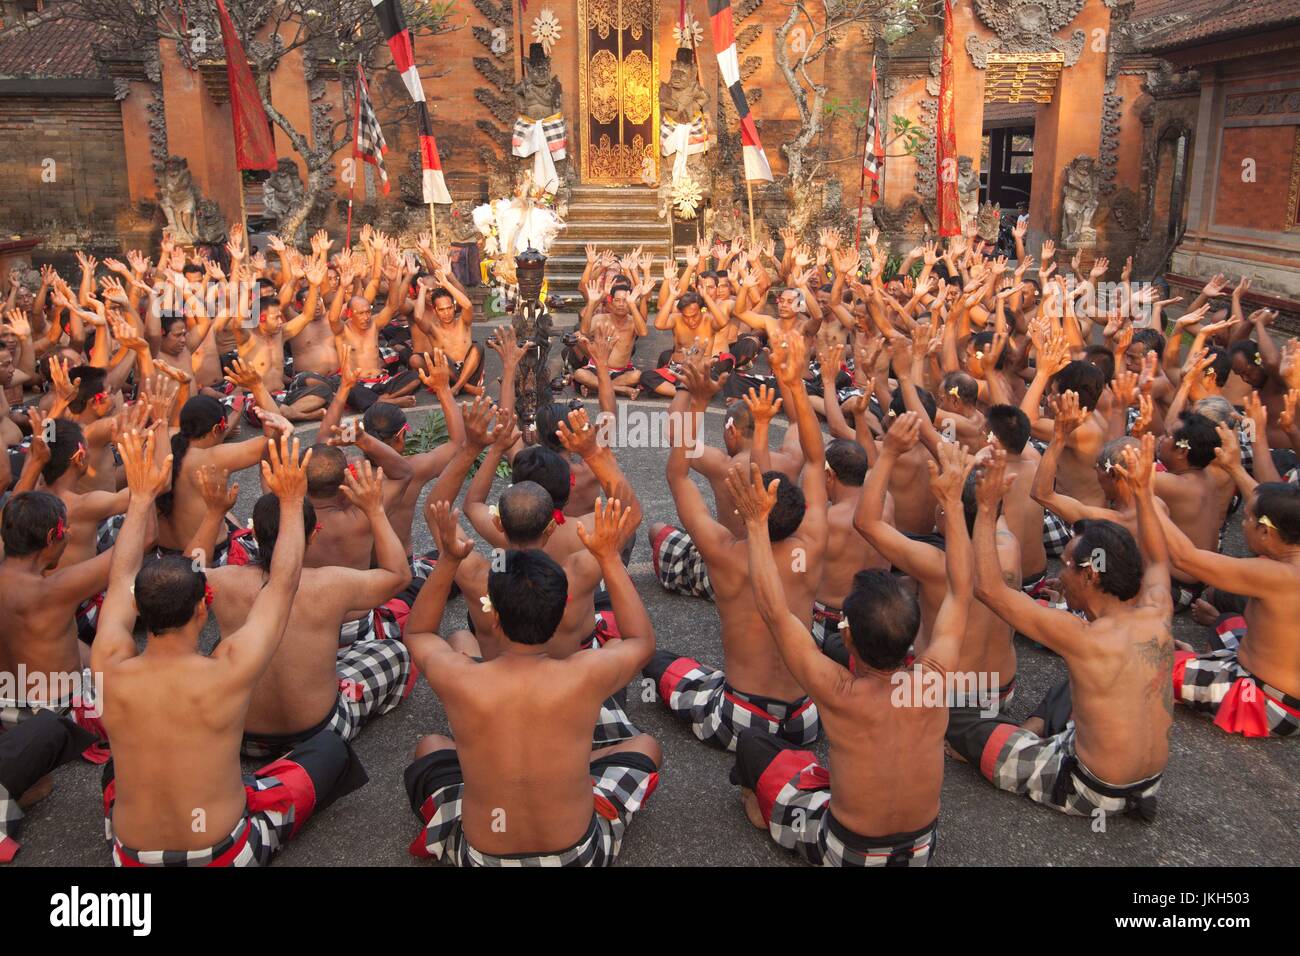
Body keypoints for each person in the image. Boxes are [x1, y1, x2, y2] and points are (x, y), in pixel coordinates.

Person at [92, 431, 366, 866]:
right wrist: (293, 502)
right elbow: (283, 583)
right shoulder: (230, 668)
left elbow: (120, 576)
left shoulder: (108, 661)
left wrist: (141, 497)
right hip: (225, 854)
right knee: (329, 750)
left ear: (137, 610)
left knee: (116, 768)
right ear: (204, 607)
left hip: (130, 857)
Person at [729, 441, 974, 866]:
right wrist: (953, 501)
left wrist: (754, 523)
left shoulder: (838, 691)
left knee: (753, 744)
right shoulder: (935, 676)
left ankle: (766, 813)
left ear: (851, 642)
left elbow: (774, 611)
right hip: (920, 849)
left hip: (848, 851)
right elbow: (961, 589)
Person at [403, 498, 661, 866]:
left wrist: (448, 560)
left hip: (480, 858)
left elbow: (419, 632)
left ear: (493, 620)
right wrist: (608, 558)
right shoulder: (586, 673)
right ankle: (568, 766)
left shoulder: (459, 676)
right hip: (577, 855)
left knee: (429, 746)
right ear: (560, 620)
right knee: (648, 746)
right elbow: (641, 641)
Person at [947, 442, 1173, 821]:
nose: (1061, 571)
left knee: (960, 721)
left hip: (1090, 788)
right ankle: (1036, 728)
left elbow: (988, 589)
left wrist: (986, 509)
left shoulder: (1081, 637)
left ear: (1090, 574)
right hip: (1149, 783)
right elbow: (1160, 556)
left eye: (1067, 563)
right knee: (1073, 684)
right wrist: (1143, 493)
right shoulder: (1158, 610)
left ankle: (1029, 739)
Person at [645, 339, 825, 751]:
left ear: (748, 509)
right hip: (807, 719)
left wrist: (698, 401)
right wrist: (794, 384)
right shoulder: (812, 546)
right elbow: (816, 461)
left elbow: (679, 476)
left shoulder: (725, 553)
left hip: (741, 718)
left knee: (658, 664)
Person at [201, 461, 413, 757]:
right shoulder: (331, 584)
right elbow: (400, 576)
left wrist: (213, 515)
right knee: (395, 651)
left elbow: (186, 571)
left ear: (254, 535)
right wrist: (375, 509)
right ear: (313, 535)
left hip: (242, 738)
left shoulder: (221, 581)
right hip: (321, 733)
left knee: (218, 647)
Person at [1155, 476, 1300, 738]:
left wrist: (1145, 498)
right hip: (1285, 690)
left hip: (1266, 701)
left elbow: (1184, 557)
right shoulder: (1288, 558)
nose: (1242, 525)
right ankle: (1206, 668)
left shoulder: (1277, 574)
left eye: (1246, 519)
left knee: (1151, 665)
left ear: (1266, 531)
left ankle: (1203, 678)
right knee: (1228, 622)